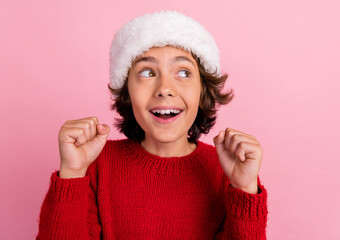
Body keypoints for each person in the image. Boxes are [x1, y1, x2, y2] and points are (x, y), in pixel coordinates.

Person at [36, 10, 268, 239]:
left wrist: (245, 189)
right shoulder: (95, 165)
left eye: (184, 73)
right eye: (147, 72)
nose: (164, 89)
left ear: (202, 89)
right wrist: (72, 174)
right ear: (127, 90)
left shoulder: (228, 173)